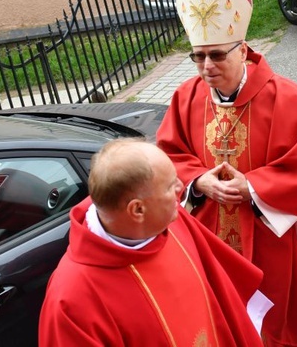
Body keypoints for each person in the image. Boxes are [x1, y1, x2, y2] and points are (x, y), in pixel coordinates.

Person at [157, 0, 297, 346]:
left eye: (216, 55)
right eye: (197, 57)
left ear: (244, 50)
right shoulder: (186, 97)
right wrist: (197, 182)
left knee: (292, 328)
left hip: (276, 238)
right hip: (213, 235)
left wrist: (254, 187)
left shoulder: (286, 98)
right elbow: (168, 156)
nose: (207, 67)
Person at [39, 139, 268, 347]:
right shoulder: (71, 301)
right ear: (137, 210)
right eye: (169, 187)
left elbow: (224, 299)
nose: (181, 187)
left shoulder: (171, 222)